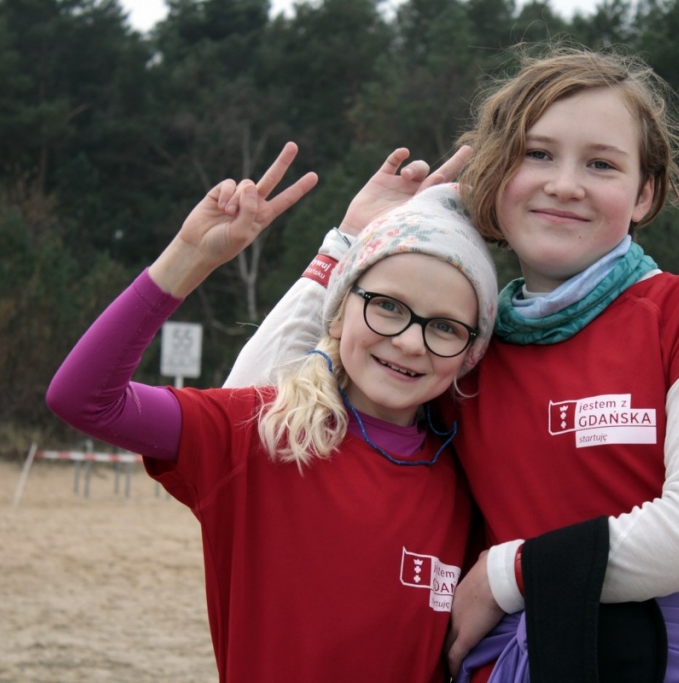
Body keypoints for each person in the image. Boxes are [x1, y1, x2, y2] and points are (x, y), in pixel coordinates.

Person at [226, 45, 679, 683]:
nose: (564, 184)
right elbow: (253, 421)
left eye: (601, 163)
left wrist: (507, 573)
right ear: (496, 174)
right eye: (537, 154)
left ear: (645, 194)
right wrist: (347, 246)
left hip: (672, 664)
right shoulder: (460, 346)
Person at [46, 142, 501, 682]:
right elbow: (85, 398)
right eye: (387, 306)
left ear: (470, 353)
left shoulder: (467, 481)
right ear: (338, 312)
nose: (408, 341)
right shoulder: (261, 435)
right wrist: (190, 256)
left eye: (445, 327)